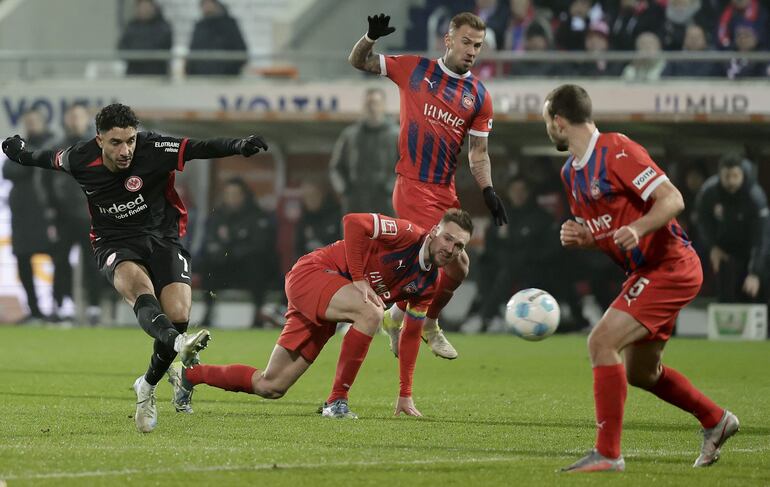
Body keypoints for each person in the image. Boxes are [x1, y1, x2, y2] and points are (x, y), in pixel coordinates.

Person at [2, 103, 268, 433]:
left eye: (130, 140)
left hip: (162, 238)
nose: (126, 149)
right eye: (116, 142)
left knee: (180, 313)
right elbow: (46, 159)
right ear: (99, 140)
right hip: (114, 241)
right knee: (140, 291)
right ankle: (177, 344)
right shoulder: (80, 157)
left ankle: (148, 385)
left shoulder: (154, 148)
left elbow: (199, 148)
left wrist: (238, 145)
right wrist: (20, 152)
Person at [542, 84, 738, 472]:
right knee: (641, 373)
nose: (546, 128)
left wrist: (641, 227)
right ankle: (716, 420)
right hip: (644, 271)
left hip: (672, 265)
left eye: (546, 121)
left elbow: (673, 199)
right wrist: (586, 239)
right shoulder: (571, 174)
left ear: (559, 121)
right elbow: (609, 234)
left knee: (600, 342)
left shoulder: (617, 149)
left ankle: (608, 453)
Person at [167, 210, 474, 419]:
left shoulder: (428, 283)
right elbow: (354, 222)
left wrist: (405, 394)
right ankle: (337, 401)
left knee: (271, 385)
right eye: (447, 238)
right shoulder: (408, 234)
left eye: (459, 246)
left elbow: (411, 332)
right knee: (371, 313)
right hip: (313, 274)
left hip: (332, 303)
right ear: (435, 232)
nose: (450, 248)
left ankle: (189, 375)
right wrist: (358, 278)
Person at [348, 12, 508, 361]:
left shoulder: (479, 96)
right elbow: (358, 60)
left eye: (477, 46)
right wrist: (370, 37)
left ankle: (406, 317)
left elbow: (478, 153)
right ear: (448, 40)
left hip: (445, 191)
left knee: (459, 267)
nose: (471, 51)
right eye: (466, 42)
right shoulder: (415, 69)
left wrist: (488, 191)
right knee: (441, 260)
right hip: (411, 186)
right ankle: (414, 324)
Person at [42, 103, 103, 324]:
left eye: (79, 116)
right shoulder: (55, 147)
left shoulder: (97, 147)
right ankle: (62, 305)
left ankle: (94, 307)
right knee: (60, 261)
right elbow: (44, 182)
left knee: (93, 262)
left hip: (90, 215)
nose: (75, 120)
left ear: (87, 120)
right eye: (72, 116)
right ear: (66, 119)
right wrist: (50, 211)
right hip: (62, 216)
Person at [198, 177, 278, 328]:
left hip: (246, 268)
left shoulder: (256, 215)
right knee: (207, 264)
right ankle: (208, 311)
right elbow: (209, 241)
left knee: (256, 263)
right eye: (228, 194)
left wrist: (231, 250)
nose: (232, 198)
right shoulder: (217, 216)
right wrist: (222, 252)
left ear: (244, 195)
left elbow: (260, 245)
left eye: (235, 194)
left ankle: (258, 315)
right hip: (225, 266)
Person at [2, 108, 54, 322]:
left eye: (34, 120)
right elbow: (8, 171)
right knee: (23, 260)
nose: (31, 124)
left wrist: (26, 160)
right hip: (22, 216)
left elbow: (49, 173)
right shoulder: (19, 143)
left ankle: (58, 307)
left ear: (42, 121)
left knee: (58, 260)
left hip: (47, 213)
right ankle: (34, 310)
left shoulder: (52, 144)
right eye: (28, 121)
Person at [695, 153, 769, 302]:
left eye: (735, 176)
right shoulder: (709, 192)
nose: (731, 181)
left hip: (752, 250)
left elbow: (761, 238)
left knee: (754, 290)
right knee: (726, 295)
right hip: (725, 251)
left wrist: (755, 272)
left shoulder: (754, 196)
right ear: (720, 175)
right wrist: (713, 247)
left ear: (742, 174)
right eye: (727, 176)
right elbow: (702, 222)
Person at [329, 87, 399, 215]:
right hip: (355, 205)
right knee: (354, 235)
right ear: (363, 107)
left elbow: (408, 169)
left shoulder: (396, 136)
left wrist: (391, 188)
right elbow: (336, 167)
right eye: (368, 104)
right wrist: (344, 189)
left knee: (386, 235)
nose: (372, 108)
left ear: (383, 106)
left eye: (376, 103)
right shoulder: (350, 136)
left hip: (386, 205)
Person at [186, 0, 248, 76]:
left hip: (226, 78)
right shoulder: (200, 26)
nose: (206, 7)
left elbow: (240, 50)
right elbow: (193, 50)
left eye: (209, 3)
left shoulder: (229, 25)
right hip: (201, 78)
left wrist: (230, 70)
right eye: (204, 4)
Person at [117, 0, 173, 76]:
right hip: (134, 74)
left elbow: (161, 46)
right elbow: (122, 47)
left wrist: (138, 52)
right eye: (141, 6)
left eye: (146, 6)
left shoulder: (163, 27)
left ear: (153, 7)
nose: (144, 9)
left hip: (157, 75)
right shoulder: (131, 26)